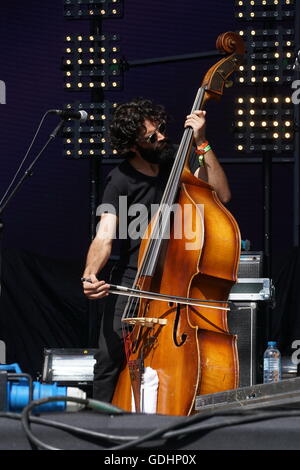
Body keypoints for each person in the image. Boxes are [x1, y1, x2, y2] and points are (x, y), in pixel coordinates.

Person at [82, 98, 231, 402]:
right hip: (134, 278)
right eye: (151, 137)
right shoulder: (120, 180)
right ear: (133, 146)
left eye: (160, 129)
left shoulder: (177, 158)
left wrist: (202, 143)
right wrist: (90, 273)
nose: (162, 137)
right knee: (108, 359)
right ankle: (100, 429)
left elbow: (221, 194)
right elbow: (104, 236)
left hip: (181, 279)